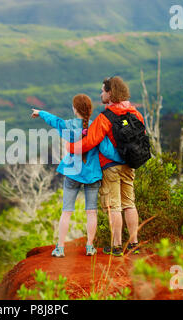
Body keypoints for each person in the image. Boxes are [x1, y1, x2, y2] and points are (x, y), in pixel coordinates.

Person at [31, 93, 123, 257]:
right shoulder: (97, 126)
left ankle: (59, 248)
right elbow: (107, 150)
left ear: (75, 110)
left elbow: (55, 121)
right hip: (92, 174)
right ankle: (89, 247)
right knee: (91, 212)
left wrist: (40, 113)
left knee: (66, 211)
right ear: (89, 109)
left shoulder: (68, 125)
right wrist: (123, 159)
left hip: (72, 173)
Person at [67, 77, 144, 257]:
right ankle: (134, 243)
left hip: (110, 167)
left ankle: (117, 246)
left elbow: (89, 142)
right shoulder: (135, 113)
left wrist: (70, 148)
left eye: (103, 91)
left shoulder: (105, 117)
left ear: (110, 93)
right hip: (130, 165)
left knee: (114, 206)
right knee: (129, 204)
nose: (101, 94)